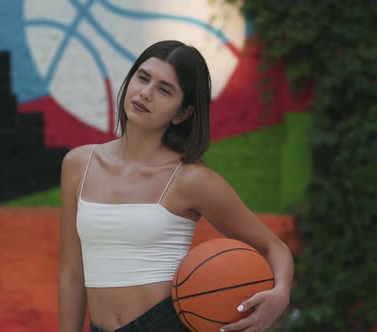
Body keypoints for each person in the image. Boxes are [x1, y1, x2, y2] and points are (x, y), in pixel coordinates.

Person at [59, 40, 294, 332]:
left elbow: (275, 247)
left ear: (182, 113)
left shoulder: (191, 180)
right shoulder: (78, 164)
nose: (146, 93)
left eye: (164, 89)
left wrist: (280, 295)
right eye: (142, 78)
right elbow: (72, 272)